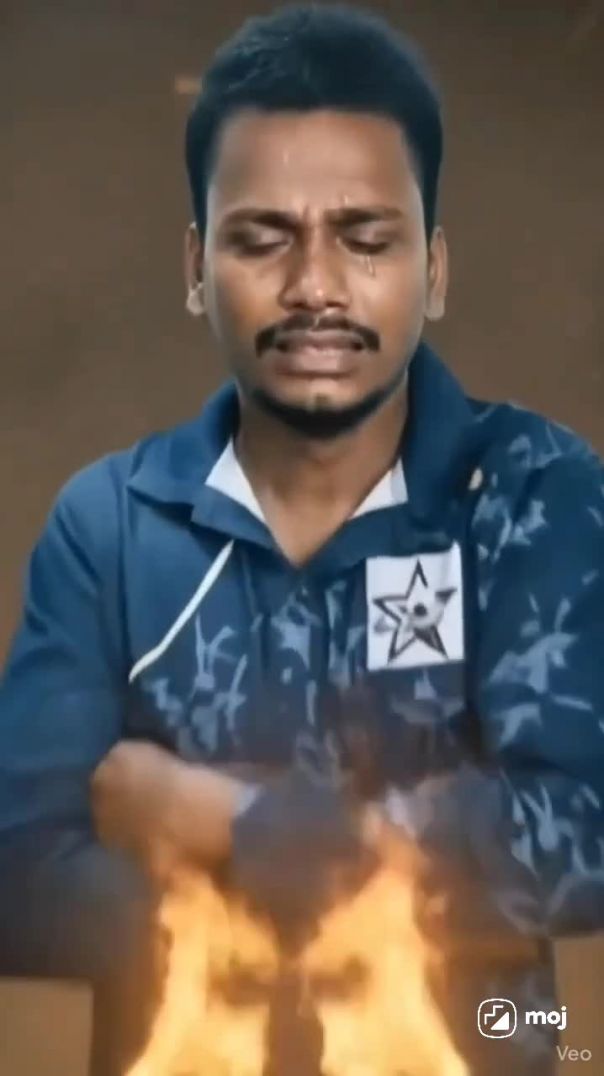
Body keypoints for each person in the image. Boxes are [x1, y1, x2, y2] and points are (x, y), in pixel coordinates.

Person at [1, 3, 603, 1074]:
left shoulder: (533, 492)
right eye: (261, 238)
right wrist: (318, 855)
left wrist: (211, 818)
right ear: (197, 265)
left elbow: (586, 827)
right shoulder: (111, 525)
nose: (315, 287)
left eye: (365, 240)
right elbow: (17, 877)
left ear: (434, 267)